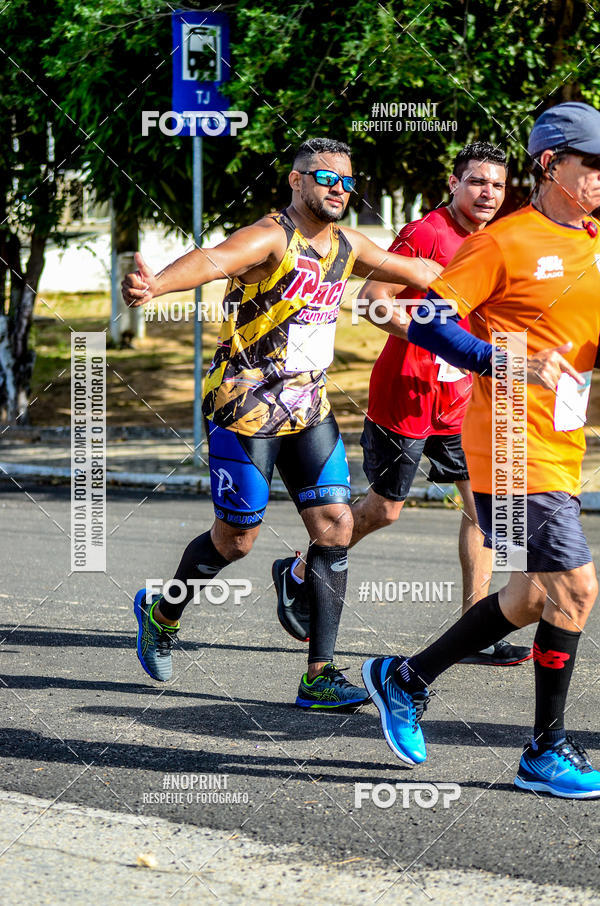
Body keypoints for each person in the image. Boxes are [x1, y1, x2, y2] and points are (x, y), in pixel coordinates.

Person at [121, 137, 440, 710]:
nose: (338, 189)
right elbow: (212, 258)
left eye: (347, 181)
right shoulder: (270, 236)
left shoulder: (347, 244)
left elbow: (416, 268)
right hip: (244, 409)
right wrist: (155, 286)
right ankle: (162, 609)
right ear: (296, 181)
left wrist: (496, 276)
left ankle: (319, 675)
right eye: (325, 178)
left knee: (336, 527)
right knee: (236, 540)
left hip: (309, 410)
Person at [362, 102, 600, 798]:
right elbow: (427, 319)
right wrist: (503, 360)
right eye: (593, 166)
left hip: (557, 443)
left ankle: (403, 677)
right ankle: (543, 754)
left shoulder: (595, 241)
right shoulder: (503, 242)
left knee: (529, 598)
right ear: (551, 164)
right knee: (576, 589)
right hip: (507, 444)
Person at [273, 142, 531, 666]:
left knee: (482, 510)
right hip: (406, 392)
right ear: (453, 184)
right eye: (477, 181)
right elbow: (371, 303)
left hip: (462, 397)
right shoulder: (427, 233)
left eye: (498, 185)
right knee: (385, 509)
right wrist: (435, 338)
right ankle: (300, 570)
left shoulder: (497, 240)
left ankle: (474, 628)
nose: (488, 193)